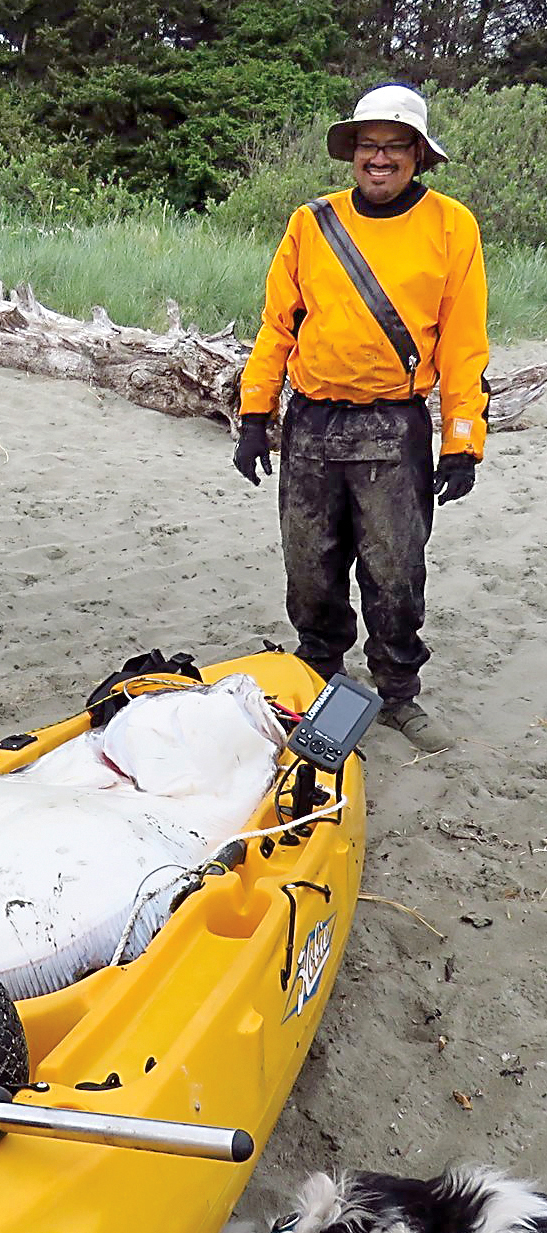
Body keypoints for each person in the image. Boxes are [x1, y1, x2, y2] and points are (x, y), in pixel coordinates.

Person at [233, 85, 489, 752]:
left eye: (394, 145)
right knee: (310, 568)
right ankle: (318, 672)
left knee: (395, 572)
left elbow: (465, 346)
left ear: (417, 156)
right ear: (352, 153)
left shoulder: (452, 226)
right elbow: (276, 328)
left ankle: (398, 693)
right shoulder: (309, 223)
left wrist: (464, 440)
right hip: (311, 425)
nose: (380, 158)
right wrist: (255, 414)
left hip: (394, 428)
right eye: (368, 145)